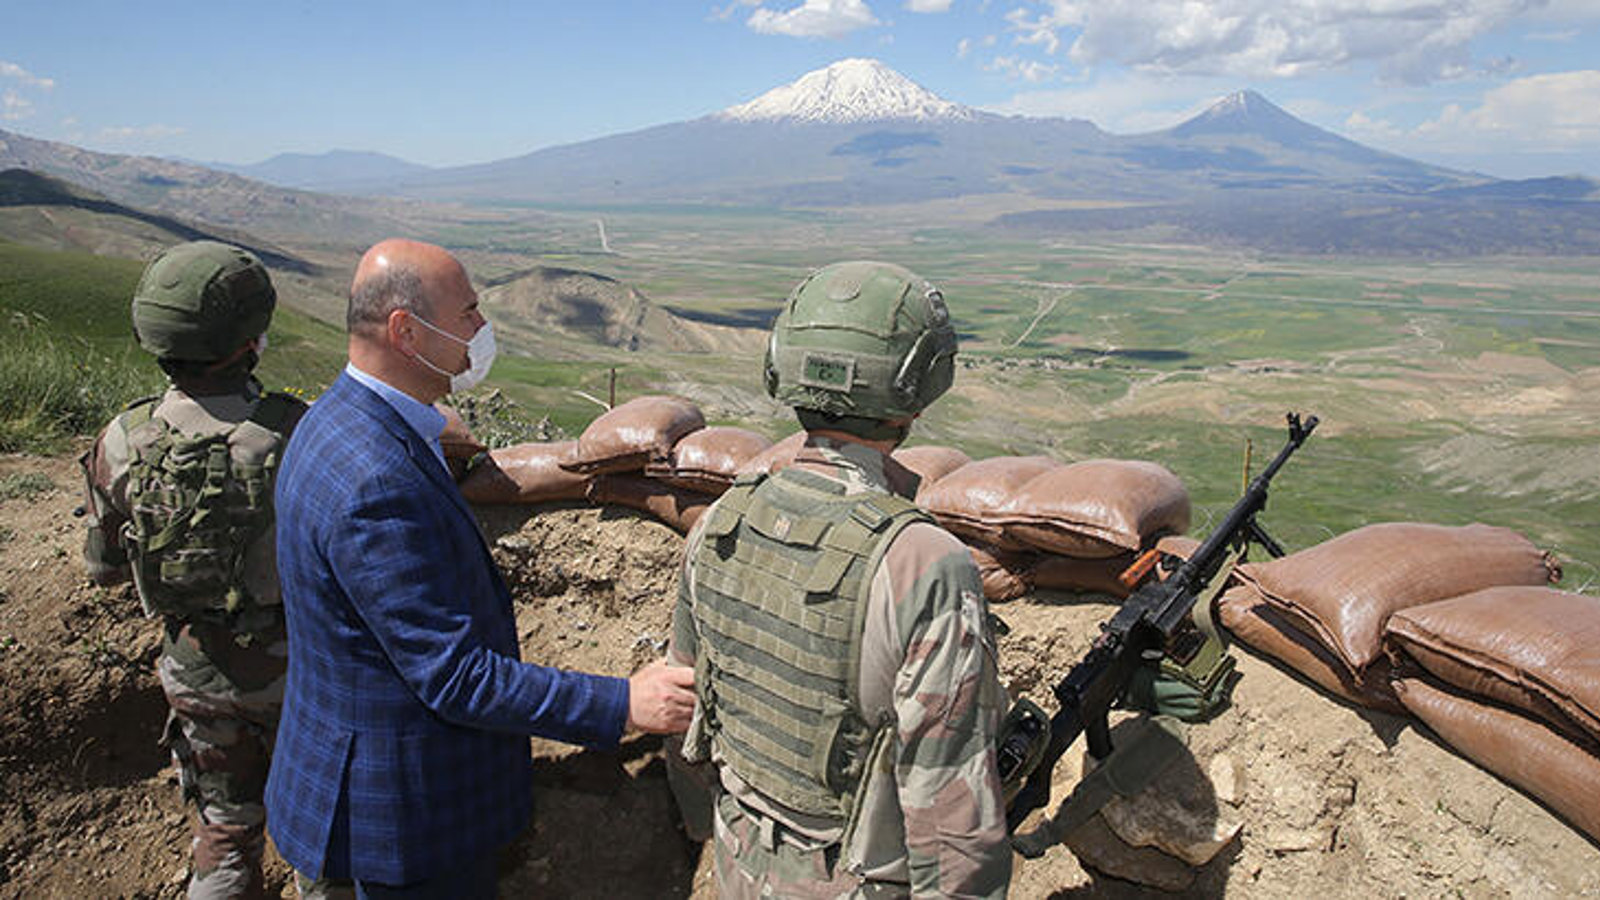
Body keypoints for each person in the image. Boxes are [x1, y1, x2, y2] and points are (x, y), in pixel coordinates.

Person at [266, 238, 695, 897]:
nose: (481, 328)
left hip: (349, 777)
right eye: (467, 312)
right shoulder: (377, 478)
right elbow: (456, 678)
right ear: (406, 332)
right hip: (403, 818)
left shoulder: (332, 425)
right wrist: (625, 703)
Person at [669, 261, 1013, 898]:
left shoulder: (721, 520)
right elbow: (950, 814)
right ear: (918, 387)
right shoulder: (923, 561)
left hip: (739, 861)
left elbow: (685, 708)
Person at [80, 240, 306, 899]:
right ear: (250, 342)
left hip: (194, 672)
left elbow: (104, 568)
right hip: (300, 674)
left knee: (225, 830)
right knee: (320, 836)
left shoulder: (122, 438)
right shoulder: (293, 430)